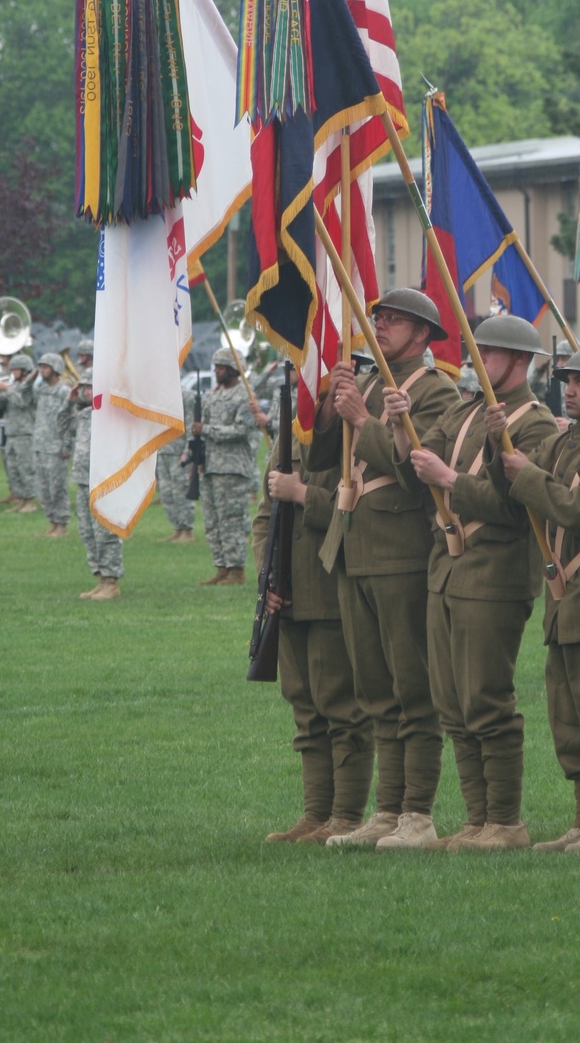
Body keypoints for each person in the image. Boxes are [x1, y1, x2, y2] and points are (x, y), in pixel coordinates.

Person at [385, 314, 558, 851]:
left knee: (485, 698)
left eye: (491, 351)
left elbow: (517, 506)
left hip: (495, 574)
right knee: (452, 703)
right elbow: (415, 458)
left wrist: (451, 481)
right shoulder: (464, 410)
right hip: (448, 570)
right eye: (476, 349)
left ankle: (505, 821)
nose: (477, 359)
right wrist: (398, 422)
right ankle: (476, 820)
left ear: (521, 360)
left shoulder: (534, 424)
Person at [309, 288, 457, 850]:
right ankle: (388, 808)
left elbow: (414, 466)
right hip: (355, 546)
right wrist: (334, 403)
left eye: (394, 321)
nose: (382, 327)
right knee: (374, 689)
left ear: (422, 335)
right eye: (380, 319)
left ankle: (417, 812)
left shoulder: (435, 391)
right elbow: (326, 454)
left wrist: (364, 418)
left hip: (401, 550)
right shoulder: (370, 384)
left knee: (412, 686)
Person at [487, 343, 580, 853]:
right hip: (565, 600)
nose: (569, 389)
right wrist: (497, 446)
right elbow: (518, 487)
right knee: (568, 716)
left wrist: (526, 476)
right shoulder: (567, 441)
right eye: (568, 380)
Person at [255, 418, 374, 845]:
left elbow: (356, 511)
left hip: (331, 591)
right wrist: (267, 577)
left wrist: (303, 494)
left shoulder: (352, 434)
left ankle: (346, 816)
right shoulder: (291, 434)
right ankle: (315, 814)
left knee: (341, 709)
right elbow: (264, 517)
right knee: (306, 711)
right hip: (288, 596)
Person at [193, 349, 260, 585]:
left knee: (231, 520)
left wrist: (207, 430)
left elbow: (242, 430)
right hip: (212, 466)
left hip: (232, 468)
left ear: (232, 369)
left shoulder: (244, 396)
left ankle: (237, 569)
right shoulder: (214, 395)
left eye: (220, 367)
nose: (216, 371)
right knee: (213, 520)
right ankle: (222, 566)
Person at [59, 374, 123, 600]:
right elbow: (62, 425)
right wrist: (69, 400)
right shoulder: (85, 415)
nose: (86, 392)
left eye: (89, 387)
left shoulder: (112, 413)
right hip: (83, 479)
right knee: (88, 532)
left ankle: (111, 581)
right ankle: (100, 579)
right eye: (84, 388)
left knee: (105, 532)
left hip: (103, 480)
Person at [32, 353, 72, 537]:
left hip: (56, 448)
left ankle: (62, 524)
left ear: (55, 369)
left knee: (57, 488)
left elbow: (71, 420)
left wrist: (67, 445)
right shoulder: (41, 390)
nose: (41, 370)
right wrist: (30, 378)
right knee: (43, 489)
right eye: (40, 367)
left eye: (45, 367)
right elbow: (23, 395)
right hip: (40, 445)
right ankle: (52, 522)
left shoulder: (64, 392)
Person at [0, 354, 38, 512]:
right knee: (13, 469)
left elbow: (22, 402)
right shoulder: (15, 385)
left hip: (25, 433)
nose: (12, 372)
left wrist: (7, 388)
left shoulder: (29, 386)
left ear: (25, 370)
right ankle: (21, 499)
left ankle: (30, 501)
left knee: (26, 468)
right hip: (12, 432)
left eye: (15, 369)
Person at [157, 378, 197, 542]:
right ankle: (177, 528)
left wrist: (188, 451)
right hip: (162, 450)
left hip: (179, 451)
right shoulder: (157, 396)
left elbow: (190, 424)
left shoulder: (185, 395)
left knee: (181, 491)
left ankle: (187, 530)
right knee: (167, 493)